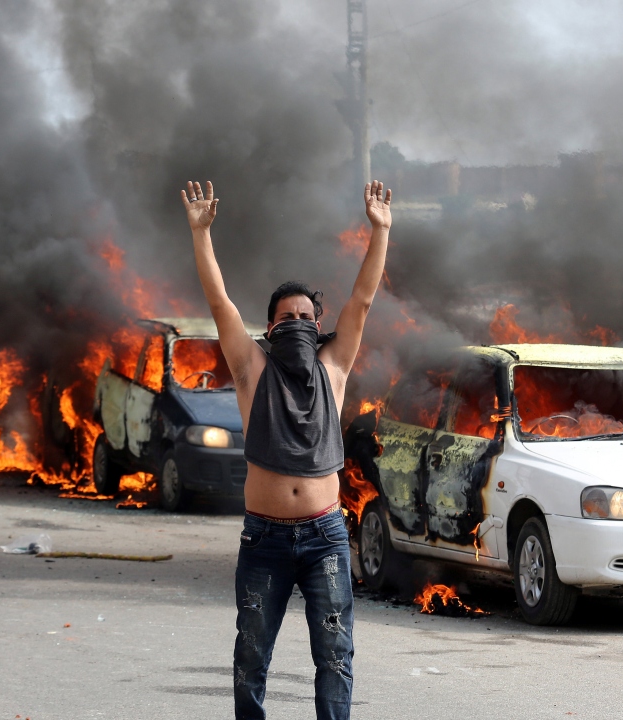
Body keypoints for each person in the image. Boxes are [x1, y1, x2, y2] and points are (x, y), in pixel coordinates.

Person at [182, 179, 391, 720]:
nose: (297, 324)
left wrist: (381, 229)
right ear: (269, 327)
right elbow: (217, 300)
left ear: (319, 327)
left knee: (335, 656)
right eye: (286, 318)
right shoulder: (252, 369)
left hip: (325, 537)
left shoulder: (334, 367)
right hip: (265, 539)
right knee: (250, 657)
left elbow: (363, 299)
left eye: (306, 318)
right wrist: (200, 233)